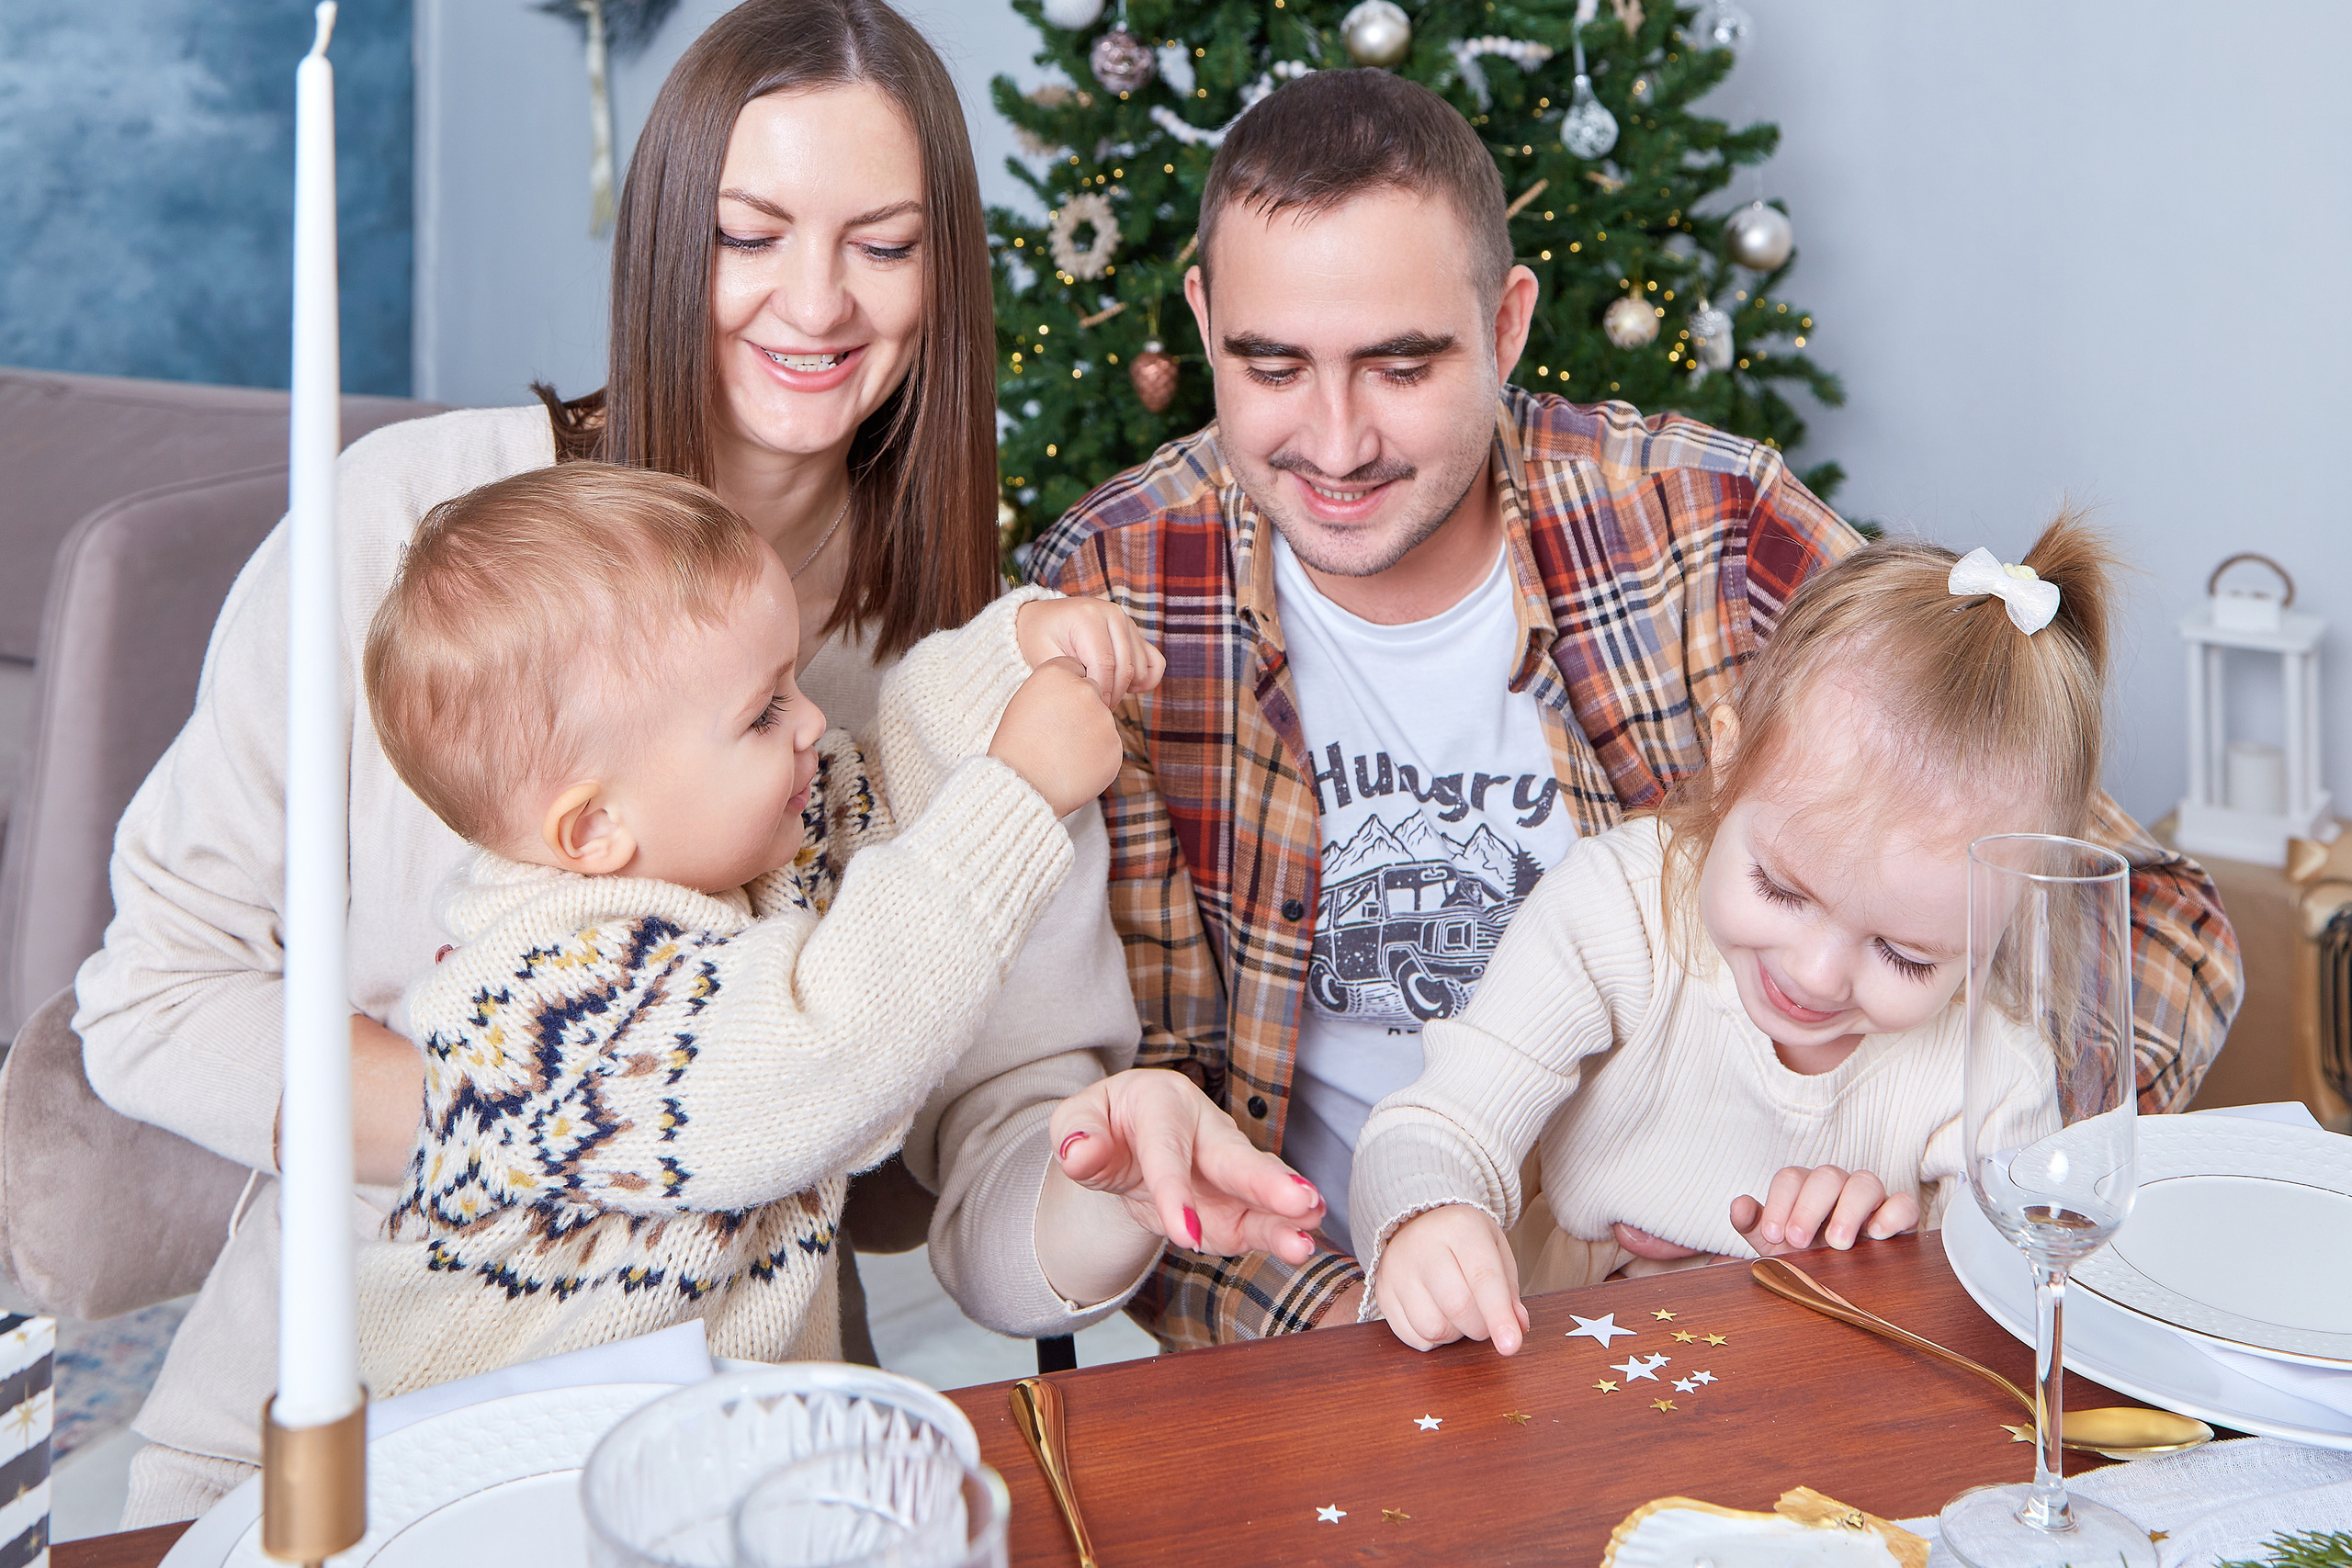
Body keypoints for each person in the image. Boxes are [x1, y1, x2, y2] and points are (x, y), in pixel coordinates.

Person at [76, 0, 1317, 1526]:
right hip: (339, 1447)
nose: (818, 300)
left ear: (944, 270)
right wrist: (588, 1120)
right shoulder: (418, 532)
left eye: (882, 243)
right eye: (749, 234)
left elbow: (998, 1164)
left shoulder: (958, 674)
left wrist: (1109, 1174)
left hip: (734, 1466)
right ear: (672, 242)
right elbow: (154, 996)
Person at [1025, 68, 2241, 1351]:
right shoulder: (1111, 589)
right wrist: (1393, 1322)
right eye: (1272, 366)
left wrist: (1942, 1206)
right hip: (1344, 1318)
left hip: (1776, 1329)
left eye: (1401, 365)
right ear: (1204, 320)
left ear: (1506, 324)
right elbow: (1126, 1127)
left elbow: (2155, 924)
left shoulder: (1709, 527)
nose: (1335, 443)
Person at [350, 464, 1147, 1395]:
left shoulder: (737, 857)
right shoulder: (549, 1008)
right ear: (595, 828)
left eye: (792, 682)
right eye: (765, 712)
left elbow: (885, 784)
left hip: (702, 1431)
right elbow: (827, 1046)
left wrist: (1011, 659)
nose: (811, 720)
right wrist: (1016, 797)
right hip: (499, 1444)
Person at [1354, 521, 2109, 1354]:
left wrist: (1888, 1263)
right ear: (1727, 762)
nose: (1816, 974)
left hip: (1814, 1403)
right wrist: (1430, 1215)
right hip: (1557, 1368)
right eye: (1782, 889)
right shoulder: (1619, 910)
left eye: (1905, 955)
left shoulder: (1993, 1073)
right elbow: (1440, 1124)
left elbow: (2011, 1321)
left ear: (2006, 919)